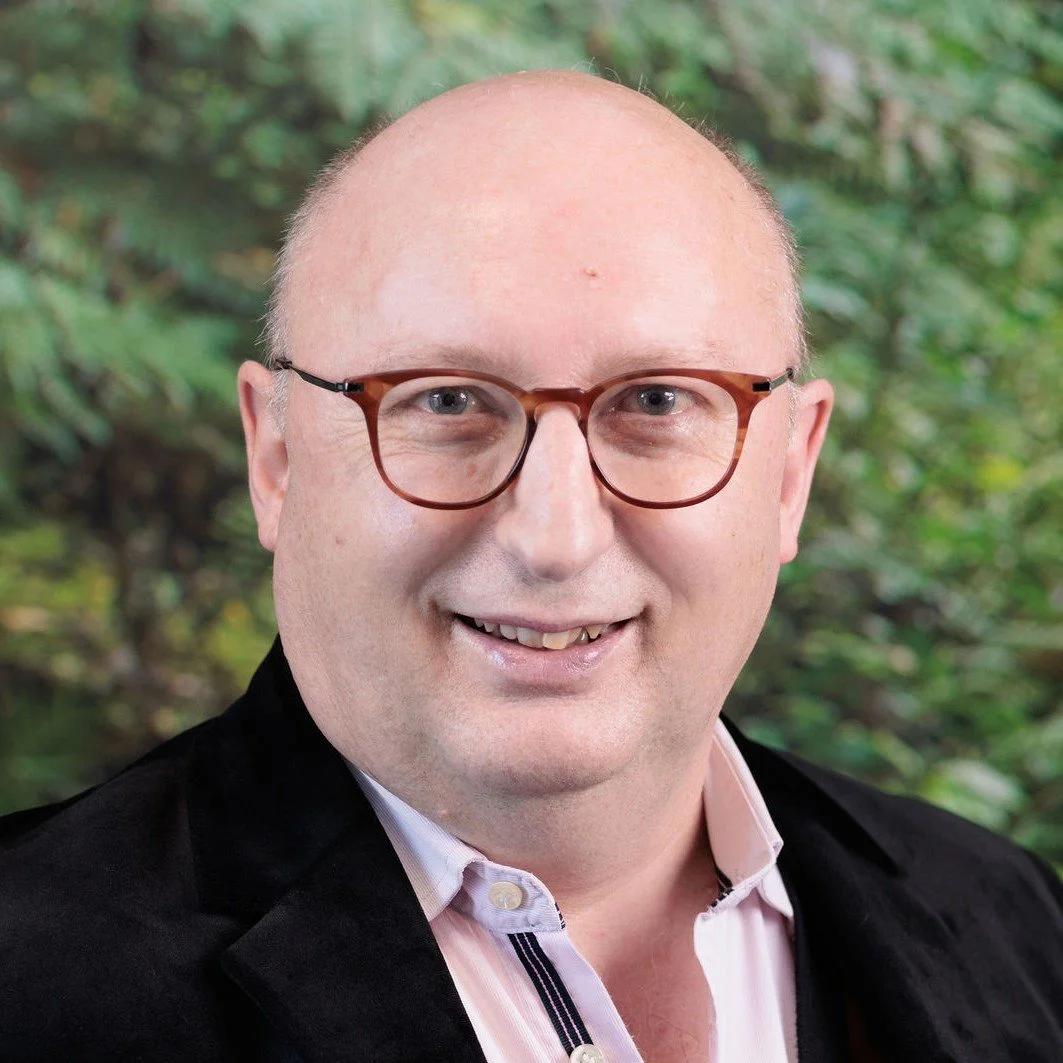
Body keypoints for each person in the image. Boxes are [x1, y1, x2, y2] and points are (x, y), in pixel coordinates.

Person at [1, 71, 1060, 1063]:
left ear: (789, 472)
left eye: (657, 403)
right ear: (274, 456)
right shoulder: (32, 977)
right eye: (446, 401)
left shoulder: (1014, 924)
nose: (556, 537)